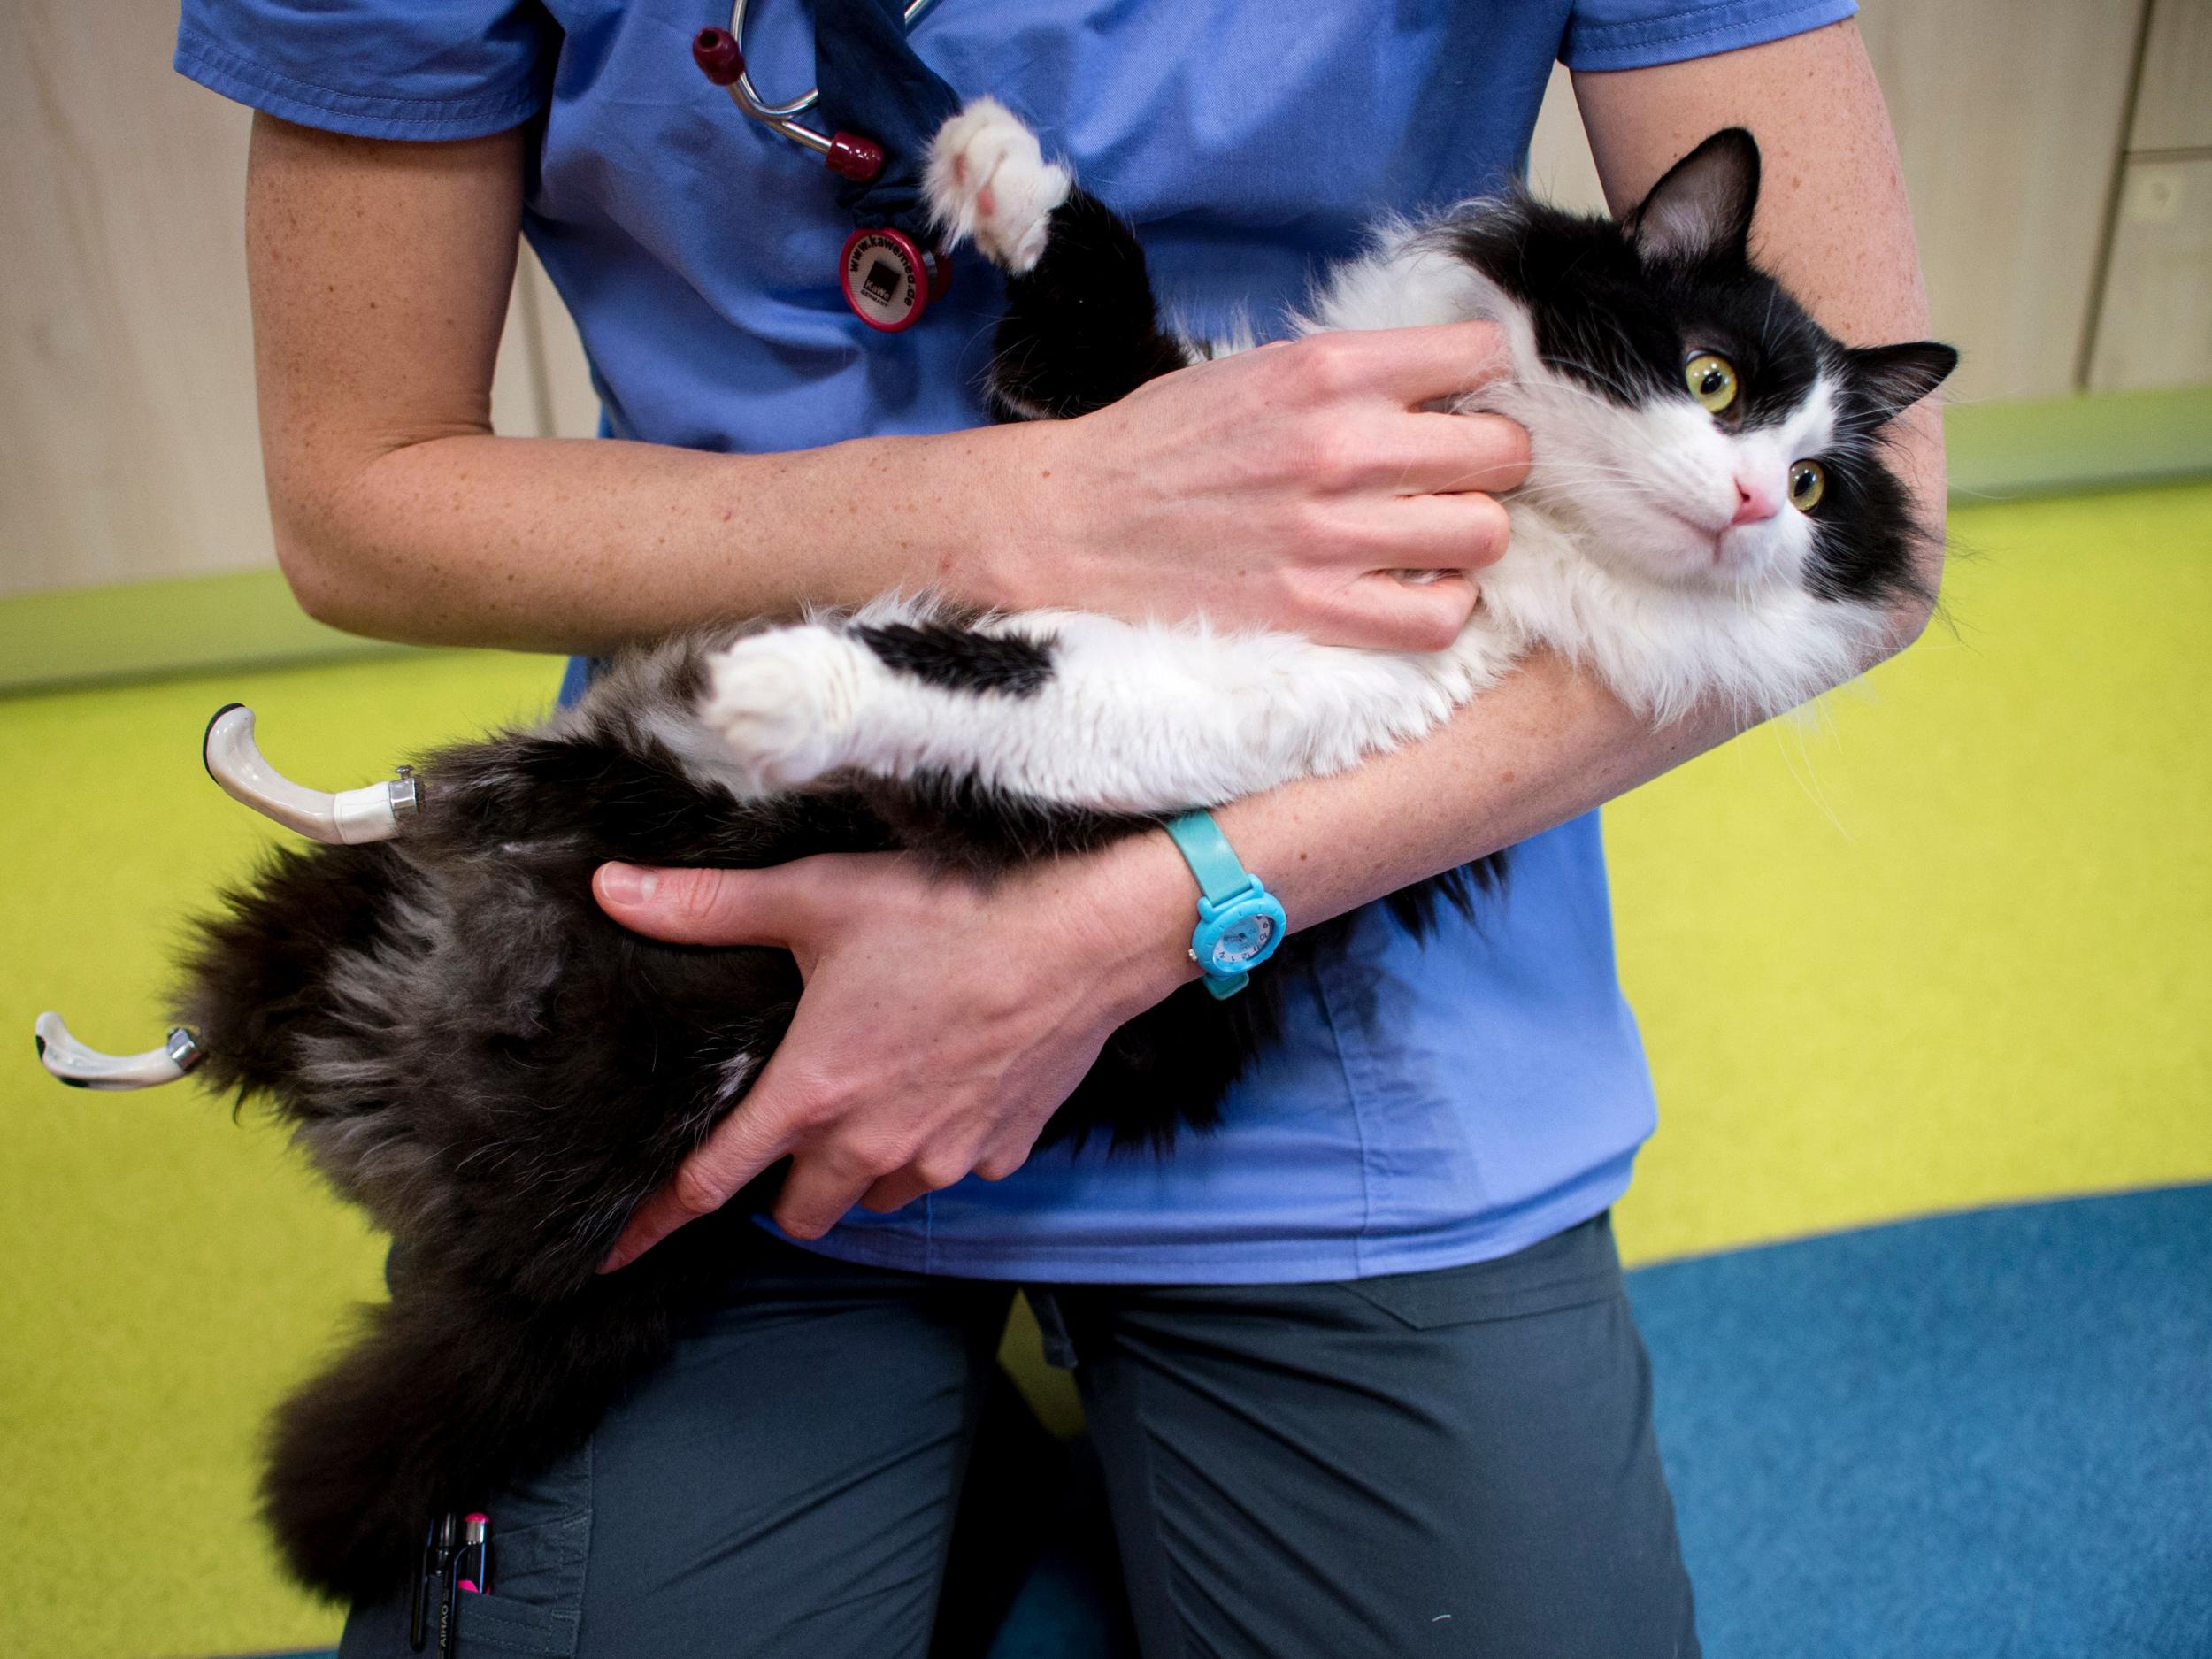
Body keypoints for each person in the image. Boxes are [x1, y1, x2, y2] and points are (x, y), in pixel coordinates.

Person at [178, 0, 1943, 1651]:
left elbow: (1873, 550)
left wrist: (1154, 910)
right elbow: (362, 493)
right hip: (747, 864)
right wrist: (1015, 508)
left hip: (1350, 908)